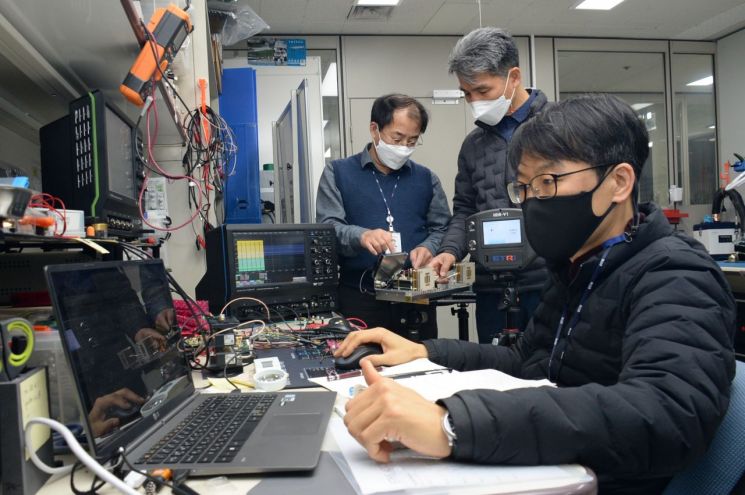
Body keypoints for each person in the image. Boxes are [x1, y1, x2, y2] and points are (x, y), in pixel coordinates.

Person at [335, 94, 736, 494]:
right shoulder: (577, 266)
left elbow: (667, 415)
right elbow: (525, 360)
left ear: (618, 182)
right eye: (523, 188)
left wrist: (450, 424)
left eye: (547, 182)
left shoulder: (675, 273)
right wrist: (424, 352)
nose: (530, 202)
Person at [428, 27, 550, 344]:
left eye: (482, 90)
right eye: (467, 93)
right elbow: (465, 210)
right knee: (495, 373)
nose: (474, 101)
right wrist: (449, 252)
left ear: (514, 77)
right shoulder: (473, 145)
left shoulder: (558, 128)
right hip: (491, 286)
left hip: (548, 281)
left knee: (549, 372)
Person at [317, 94, 451, 340]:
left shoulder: (426, 179)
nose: (403, 147)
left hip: (415, 299)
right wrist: (360, 235)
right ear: (374, 130)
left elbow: (442, 228)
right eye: (397, 138)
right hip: (360, 298)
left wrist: (428, 247)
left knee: (420, 371)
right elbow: (327, 228)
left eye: (412, 141)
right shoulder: (338, 173)